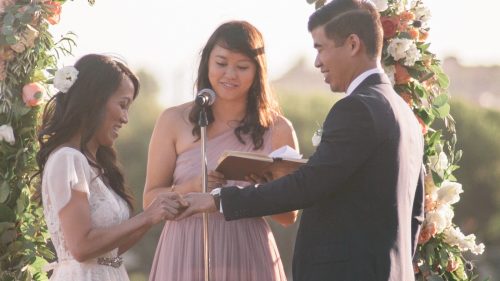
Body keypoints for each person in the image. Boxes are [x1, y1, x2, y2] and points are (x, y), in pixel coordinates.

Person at [178, 1, 426, 280]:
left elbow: (309, 185)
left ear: (353, 44)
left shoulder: (357, 108)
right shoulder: (405, 113)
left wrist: (219, 200)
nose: (317, 62)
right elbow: (416, 214)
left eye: (320, 48)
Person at [144, 21, 299, 281]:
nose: (230, 74)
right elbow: (150, 201)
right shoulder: (172, 120)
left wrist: (259, 191)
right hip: (185, 251)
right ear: (207, 63)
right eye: (221, 63)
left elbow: (289, 216)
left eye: (242, 67)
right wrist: (192, 185)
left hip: (248, 252)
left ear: (257, 72)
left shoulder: (278, 128)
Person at [36, 54, 187, 281]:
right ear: (95, 100)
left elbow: (110, 250)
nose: (125, 118)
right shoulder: (68, 159)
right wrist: (146, 218)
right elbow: (81, 246)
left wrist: (156, 214)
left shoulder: (96, 165)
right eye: (122, 105)